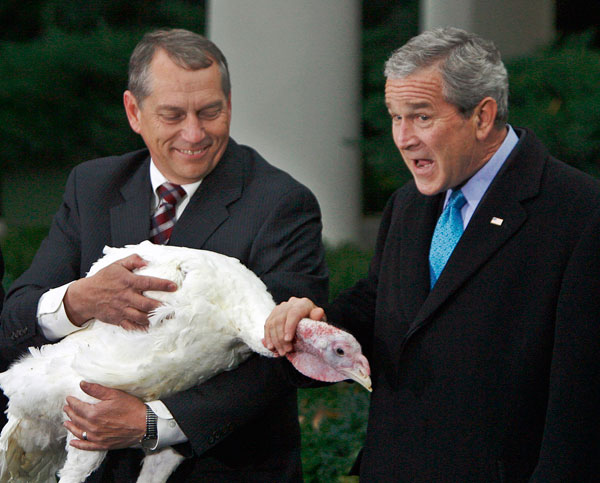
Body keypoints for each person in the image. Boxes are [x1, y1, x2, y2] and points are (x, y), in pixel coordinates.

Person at [265, 27, 600, 482]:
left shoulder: (579, 212)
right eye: (394, 116)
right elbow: (379, 309)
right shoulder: (409, 203)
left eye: (421, 117)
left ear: (482, 117)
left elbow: (579, 410)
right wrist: (312, 330)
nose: (402, 138)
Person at [0, 28, 328, 481]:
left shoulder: (281, 203)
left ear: (228, 105)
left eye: (210, 112)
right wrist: (78, 301)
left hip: (220, 470)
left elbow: (285, 359)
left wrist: (153, 422)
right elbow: (14, 319)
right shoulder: (92, 187)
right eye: (172, 115)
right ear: (134, 111)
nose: (194, 133)